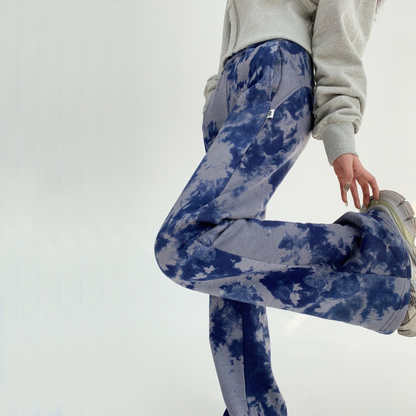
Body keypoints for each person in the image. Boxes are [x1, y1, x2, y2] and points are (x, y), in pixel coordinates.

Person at [155, 0, 416, 414]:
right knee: (231, 266)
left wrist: (340, 127)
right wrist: (216, 95)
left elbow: (342, 19)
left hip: (273, 73)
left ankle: (380, 258)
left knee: (182, 244)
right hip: (235, 91)